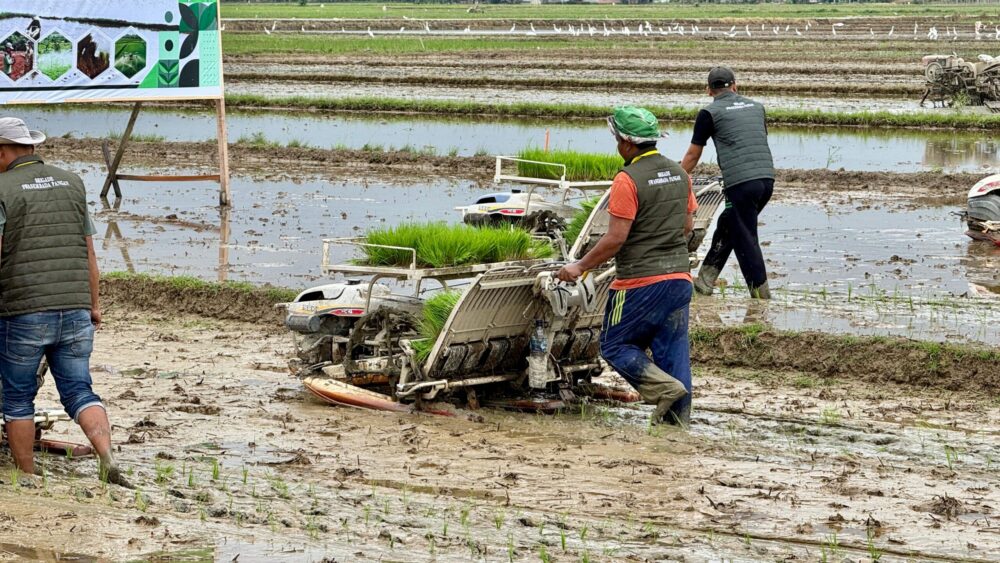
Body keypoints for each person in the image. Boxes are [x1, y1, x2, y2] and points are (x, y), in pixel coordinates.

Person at [0, 117, 128, 486]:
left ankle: (26, 475)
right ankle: (107, 459)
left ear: (3, 150)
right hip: (75, 309)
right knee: (79, 390)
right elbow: (89, 252)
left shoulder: (2, 188)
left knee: (18, 398)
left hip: (23, 311)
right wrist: (94, 305)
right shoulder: (72, 182)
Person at [558, 107, 697, 426]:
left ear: (627, 144)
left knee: (615, 344)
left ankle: (664, 390)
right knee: (673, 354)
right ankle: (676, 425)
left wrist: (579, 266)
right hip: (679, 279)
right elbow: (687, 226)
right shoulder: (680, 174)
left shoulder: (627, 179)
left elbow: (615, 239)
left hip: (640, 282)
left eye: (618, 138)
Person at [681, 66, 775, 299]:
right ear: (735, 85)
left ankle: (762, 297)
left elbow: (693, 155)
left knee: (745, 238)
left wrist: (677, 177)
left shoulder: (709, 113)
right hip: (766, 180)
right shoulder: (757, 107)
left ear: (708, 90)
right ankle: (704, 282)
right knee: (729, 225)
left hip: (741, 184)